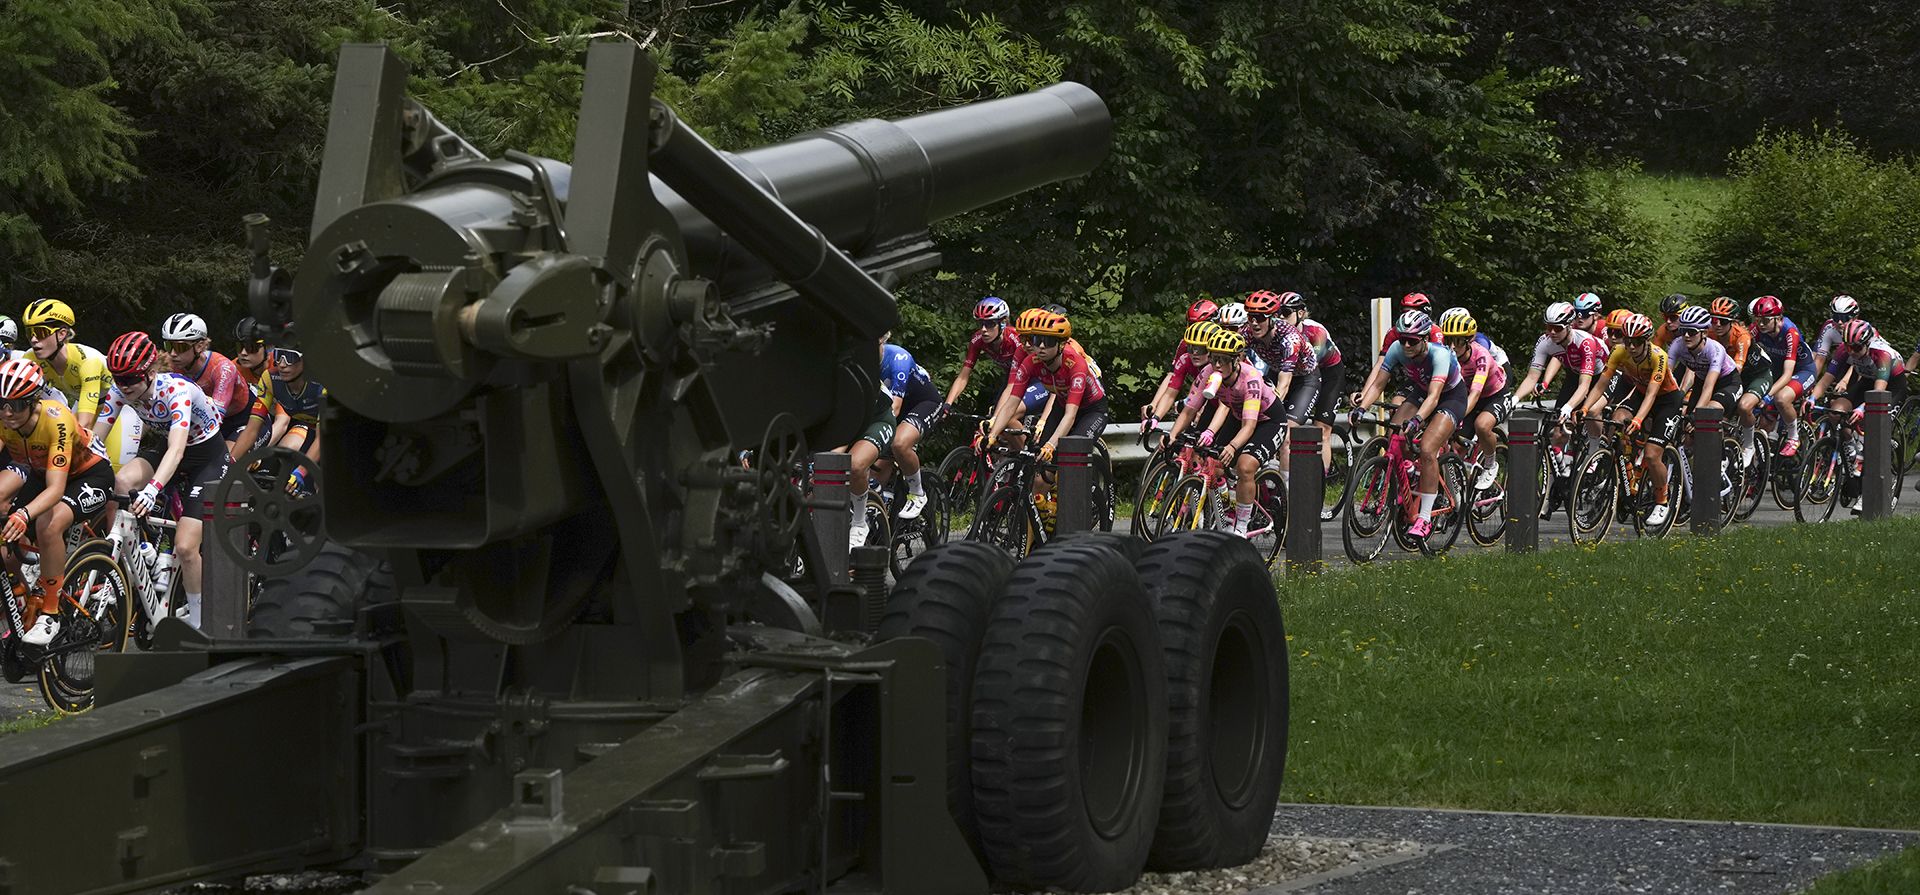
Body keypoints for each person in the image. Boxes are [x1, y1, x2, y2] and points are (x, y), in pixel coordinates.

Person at [99, 332, 230, 628]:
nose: (123, 386)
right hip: (167, 449)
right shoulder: (120, 390)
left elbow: (177, 450)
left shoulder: (177, 390)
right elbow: (95, 439)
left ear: (150, 373)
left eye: (130, 378)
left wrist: (152, 489)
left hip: (206, 456)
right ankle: (135, 551)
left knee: (185, 547)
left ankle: (199, 622)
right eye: (118, 378)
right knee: (122, 482)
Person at [0, 359, 113, 645]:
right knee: (5, 533)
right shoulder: (4, 420)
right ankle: (22, 593)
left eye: (17, 405)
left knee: (48, 525)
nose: (8, 413)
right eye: (1, 404)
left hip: (90, 474)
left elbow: (55, 489)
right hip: (43, 472)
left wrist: (24, 514)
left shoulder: (56, 419)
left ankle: (50, 614)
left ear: (33, 402)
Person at [1349, 309, 1470, 540]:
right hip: (1421, 392)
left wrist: (1417, 420)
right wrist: (1362, 408)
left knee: (1427, 448)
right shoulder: (1397, 348)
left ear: (1425, 339)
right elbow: (1378, 385)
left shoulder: (1440, 355)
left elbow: (1434, 397)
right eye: (1403, 339)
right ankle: (1412, 474)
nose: (1406, 345)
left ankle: (1424, 518)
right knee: (1395, 436)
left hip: (1450, 396)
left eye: (1412, 341)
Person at [1163, 327, 1282, 537]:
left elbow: (1249, 426)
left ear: (1236, 360)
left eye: (1223, 360)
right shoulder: (1208, 372)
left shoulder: (1250, 378)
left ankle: (1241, 527)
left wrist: (1233, 446)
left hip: (1268, 421)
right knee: (1212, 466)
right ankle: (1228, 511)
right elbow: (1190, 410)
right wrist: (1172, 436)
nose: (1217, 364)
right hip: (1238, 417)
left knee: (1245, 466)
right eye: (1214, 358)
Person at [1581, 313, 1681, 527]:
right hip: (1640, 393)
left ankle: (1662, 500)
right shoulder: (1619, 351)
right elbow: (1601, 384)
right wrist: (1586, 407)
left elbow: (1653, 394)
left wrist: (1638, 419)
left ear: (1646, 340)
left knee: (1653, 454)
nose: (1632, 347)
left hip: (1666, 400)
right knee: (1617, 420)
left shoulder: (1658, 356)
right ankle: (1626, 471)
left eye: (1637, 342)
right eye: (1628, 341)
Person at [983, 306, 1108, 469]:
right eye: (1036, 340)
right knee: (1039, 465)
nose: (1041, 346)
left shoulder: (1075, 364)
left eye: (1048, 342)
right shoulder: (1030, 362)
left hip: (1092, 410)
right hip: (1061, 404)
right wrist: (992, 434)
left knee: (1072, 452)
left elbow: (1070, 415)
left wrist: (1051, 445)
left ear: (1061, 344)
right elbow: (1012, 402)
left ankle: (1079, 484)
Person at [1510, 301, 1606, 512]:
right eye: (1548, 327)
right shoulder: (1545, 342)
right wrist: (1515, 399)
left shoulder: (1585, 342)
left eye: (1557, 328)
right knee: (1557, 431)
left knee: (1590, 411)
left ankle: (1594, 449)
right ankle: (1563, 470)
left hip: (1603, 376)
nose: (1552, 332)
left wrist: (1569, 407)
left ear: (1569, 326)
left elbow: (1585, 386)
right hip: (1575, 374)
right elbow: (1532, 377)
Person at [1808, 320, 1909, 513]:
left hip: (1892, 386)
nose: (1852, 352)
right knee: (1836, 411)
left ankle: (1867, 492)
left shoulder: (1882, 353)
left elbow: (1879, 393)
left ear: (1868, 343)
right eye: (1848, 347)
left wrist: (1862, 409)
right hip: (1868, 381)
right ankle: (1851, 449)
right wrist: (1812, 398)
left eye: (1856, 348)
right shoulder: (1844, 350)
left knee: (1872, 427)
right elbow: (1826, 379)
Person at [161, 313, 252, 456]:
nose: (172, 353)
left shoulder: (222, 368)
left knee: (226, 461)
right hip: (205, 420)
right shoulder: (171, 364)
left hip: (243, 420)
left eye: (180, 347)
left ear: (199, 346)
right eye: (168, 345)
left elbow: (214, 417)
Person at [1440, 310, 1510, 490]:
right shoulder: (1447, 356)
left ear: (1468, 341)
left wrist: (1455, 417)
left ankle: (1491, 464)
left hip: (1495, 395)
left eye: (1457, 341)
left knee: (1482, 425)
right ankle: (1460, 485)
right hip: (1469, 395)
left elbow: (1475, 394)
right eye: (1448, 340)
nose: (1452, 346)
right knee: (1457, 444)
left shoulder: (1481, 355)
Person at [879, 339, 945, 520]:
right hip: (892, 407)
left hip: (923, 403)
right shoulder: (859, 362)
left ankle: (917, 493)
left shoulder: (898, 358)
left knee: (899, 444)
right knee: (873, 474)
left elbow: (895, 408)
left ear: (881, 341)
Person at [21, 299, 110, 431]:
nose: (34, 339)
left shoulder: (88, 361)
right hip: (84, 402)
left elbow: (84, 424)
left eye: (41, 333)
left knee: (88, 438)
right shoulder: (30, 358)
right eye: (30, 333)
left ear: (62, 334)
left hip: (119, 403)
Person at [1283, 292, 1346, 477]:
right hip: (1300, 375)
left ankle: (1320, 482)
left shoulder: (1315, 331)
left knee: (1322, 430)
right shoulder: (1277, 332)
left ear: (1301, 313)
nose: (1281, 318)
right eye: (1277, 314)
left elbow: (1311, 364)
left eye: (1286, 313)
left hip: (1329, 375)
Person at [1747, 295, 1814, 457]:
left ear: (1778, 319)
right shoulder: (1757, 329)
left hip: (1801, 370)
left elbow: (1787, 375)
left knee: (1781, 398)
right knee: (1764, 416)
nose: (1761, 324)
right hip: (1776, 368)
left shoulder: (1790, 332)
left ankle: (1793, 437)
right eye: (1758, 320)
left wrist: (1767, 395)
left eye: (1765, 320)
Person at [1242, 290, 1318, 424]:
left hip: (1304, 379)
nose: (1254, 323)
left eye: (1260, 318)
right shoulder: (1247, 333)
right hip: (1275, 371)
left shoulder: (1290, 338)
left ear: (1274, 318)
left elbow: (1284, 383)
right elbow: (1236, 363)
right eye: (1250, 317)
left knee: (1286, 425)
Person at [1702, 297, 1761, 462]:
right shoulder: (1710, 333)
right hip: (1729, 376)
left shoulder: (1742, 336)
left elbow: (1736, 369)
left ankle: (1749, 445)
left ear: (1732, 322)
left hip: (1754, 375)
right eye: (1714, 320)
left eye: (1723, 321)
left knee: (1743, 407)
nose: (1717, 325)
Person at [1667, 306, 1740, 418]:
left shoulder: (1715, 350)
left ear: (1704, 333)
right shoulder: (1677, 345)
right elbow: (1667, 376)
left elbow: (1708, 387)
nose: (1686, 335)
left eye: (1692, 332)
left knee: (1707, 413)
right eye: (1683, 330)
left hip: (1727, 382)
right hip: (1701, 380)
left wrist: (1697, 414)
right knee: (1686, 420)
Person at [269, 346, 327, 466]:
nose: (282, 364)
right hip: (311, 426)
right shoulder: (271, 377)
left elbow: (323, 436)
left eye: (291, 357)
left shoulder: (321, 384)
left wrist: (300, 472)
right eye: (278, 356)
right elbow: (254, 426)